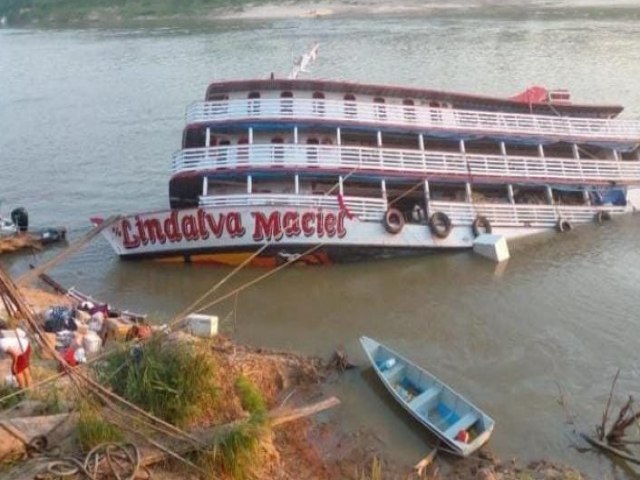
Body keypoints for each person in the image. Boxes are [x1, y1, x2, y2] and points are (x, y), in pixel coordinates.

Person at [0, 322, 32, 389]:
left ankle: (22, 389)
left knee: (16, 370)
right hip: (26, 345)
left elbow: (15, 354)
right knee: (24, 367)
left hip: (22, 349)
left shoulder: (2, 345)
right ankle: (30, 387)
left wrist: (14, 365)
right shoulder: (2, 341)